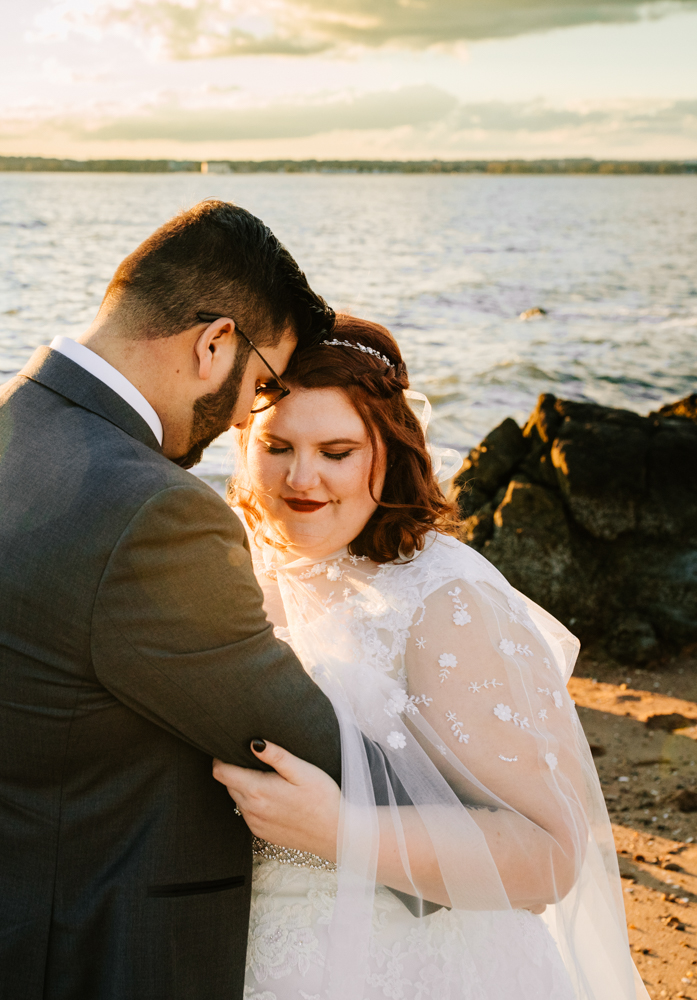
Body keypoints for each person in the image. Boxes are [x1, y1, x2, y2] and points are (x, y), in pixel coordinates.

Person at [0, 200, 349, 999]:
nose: (249, 414)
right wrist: (484, 828)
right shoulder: (148, 511)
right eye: (264, 384)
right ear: (214, 345)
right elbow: (304, 748)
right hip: (59, 965)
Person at [213, 315, 647, 1000]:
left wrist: (344, 833)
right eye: (277, 446)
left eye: (337, 451)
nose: (302, 478)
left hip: (417, 971)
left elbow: (552, 855)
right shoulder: (225, 568)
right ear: (243, 441)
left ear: (389, 451)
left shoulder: (442, 598)